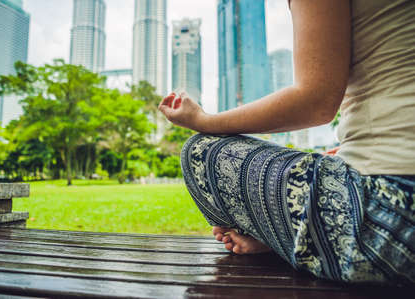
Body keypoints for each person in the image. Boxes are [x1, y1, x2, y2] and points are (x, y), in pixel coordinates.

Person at [158, 0, 414, 285]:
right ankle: (290, 237)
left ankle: (286, 239)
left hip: (387, 220)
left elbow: (315, 101)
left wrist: (204, 121)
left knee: (202, 150)